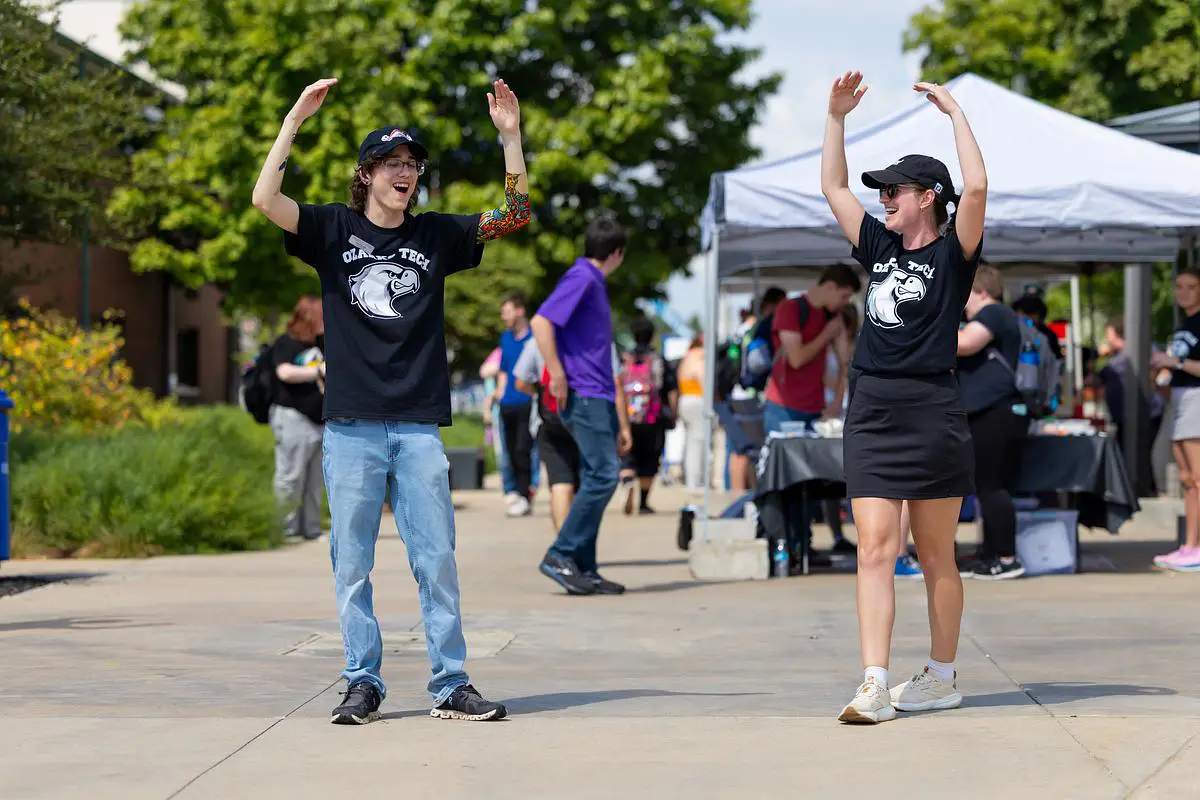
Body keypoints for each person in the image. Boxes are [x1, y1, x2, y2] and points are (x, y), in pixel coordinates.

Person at [251, 76, 531, 724]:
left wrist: (511, 139)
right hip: (350, 427)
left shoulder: (437, 235)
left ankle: (450, 684)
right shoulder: (331, 228)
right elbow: (265, 199)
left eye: (412, 164)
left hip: (417, 427)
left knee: (436, 560)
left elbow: (513, 215)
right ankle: (362, 682)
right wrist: (293, 121)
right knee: (352, 564)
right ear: (367, 175)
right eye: (392, 163)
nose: (405, 173)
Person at [821, 71, 987, 724]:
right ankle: (874, 683)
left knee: (936, 552)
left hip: (931, 410)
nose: (884, 198)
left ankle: (942, 676)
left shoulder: (955, 254)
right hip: (872, 410)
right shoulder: (880, 244)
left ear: (928, 197)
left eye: (894, 190)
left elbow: (977, 187)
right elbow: (834, 187)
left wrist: (954, 112)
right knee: (874, 548)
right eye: (883, 191)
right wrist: (836, 118)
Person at [531, 218, 633, 596]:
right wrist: (556, 372)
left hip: (598, 395)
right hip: (584, 393)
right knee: (605, 475)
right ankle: (561, 553)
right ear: (617, 253)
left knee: (595, 476)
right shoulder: (583, 278)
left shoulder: (592, 281)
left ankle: (584, 567)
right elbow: (541, 322)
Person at [763, 269, 861, 566]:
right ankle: (783, 545)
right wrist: (826, 335)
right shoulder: (791, 310)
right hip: (783, 408)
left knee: (810, 483)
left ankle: (803, 545)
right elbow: (796, 358)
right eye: (843, 296)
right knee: (783, 483)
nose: (843, 303)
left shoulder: (830, 317)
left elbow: (844, 363)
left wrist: (836, 402)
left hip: (814, 408)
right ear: (829, 286)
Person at [955, 266, 1028, 580]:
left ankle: (1007, 557)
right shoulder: (994, 316)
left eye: (966, 292)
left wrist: (925, 329)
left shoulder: (995, 313)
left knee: (993, 486)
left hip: (995, 412)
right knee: (986, 487)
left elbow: (964, 344)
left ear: (983, 292)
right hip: (986, 412)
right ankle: (990, 553)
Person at [1151, 268, 1200, 572]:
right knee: (1186, 478)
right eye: (1179, 286)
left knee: (1197, 477)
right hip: (1180, 398)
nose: (1183, 292)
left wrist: (1175, 362)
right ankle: (1189, 545)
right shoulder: (1183, 324)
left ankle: (1196, 546)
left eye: (1191, 287)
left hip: (1196, 397)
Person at [270, 296, 326, 541]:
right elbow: (284, 372)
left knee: (315, 480)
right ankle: (285, 529)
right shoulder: (287, 342)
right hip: (293, 417)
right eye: (322, 316)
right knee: (291, 477)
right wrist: (318, 371)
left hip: (319, 420)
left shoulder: (322, 343)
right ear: (310, 318)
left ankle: (311, 528)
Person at [1098, 315, 1165, 497]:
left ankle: (1144, 489)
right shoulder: (1118, 355)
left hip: (1146, 411)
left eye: (1109, 334)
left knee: (1140, 450)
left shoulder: (1135, 352)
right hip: (1124, 413)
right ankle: (1142, 487)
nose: (1107, 339)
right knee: (1130, 449)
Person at [618, 316, 676, 515]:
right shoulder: (658, 359)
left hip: (627, 416)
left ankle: (627, 480)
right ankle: (643, 504)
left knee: (627, 454)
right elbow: (671, 389)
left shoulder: (623, 359)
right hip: (653, 418)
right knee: (650, 458)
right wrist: (673, 414)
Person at [488, 292, 536, 516]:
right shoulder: (505, 338)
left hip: (527, 401)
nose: (503, 316)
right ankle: (516, 492)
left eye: (507, 312)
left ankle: (525, 494)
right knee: (509, 451)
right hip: (507, 403)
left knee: (523, 449)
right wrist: (498, 393)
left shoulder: (535, 337)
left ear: (520, 311)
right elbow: (504, 370)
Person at [821, 303, 859, 556]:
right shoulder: (826, 348)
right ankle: (837, 534)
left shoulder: (854, 346)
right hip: (831, 414)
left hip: (848, 412)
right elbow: (829, 380)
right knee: (829, 481)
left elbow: (847, 377)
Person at [676, 334, 708, 492]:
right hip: (697, 400)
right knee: (698, 442)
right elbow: (702, 378)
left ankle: (689, 479)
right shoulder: (700, 356)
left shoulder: (687, 356)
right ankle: (695, 482)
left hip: (684, 399)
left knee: (690, 442)